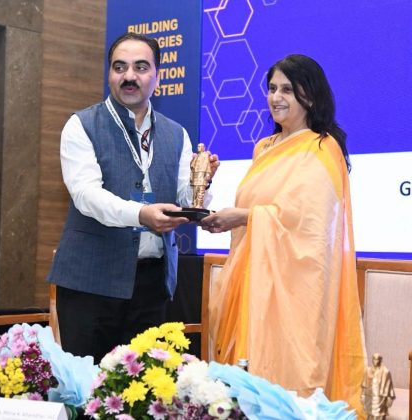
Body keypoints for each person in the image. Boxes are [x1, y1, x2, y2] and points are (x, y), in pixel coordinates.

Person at [201, 54, 365, 411]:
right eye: (272, 88)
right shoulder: (264, 148)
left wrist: (243, 217)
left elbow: (310, 225)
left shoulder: (322, 148)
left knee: (290, 383)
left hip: (296, 287)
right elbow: (258, 208)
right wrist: (232, 218)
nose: (276, 97)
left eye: (287, 90)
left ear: (310, 96)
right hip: (251, 280)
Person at [47, 32, 219, 363]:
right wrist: (142, 214)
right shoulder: (81, 125)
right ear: (109, 74)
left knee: (144, 384)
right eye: (119, 67)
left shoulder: (176, 133)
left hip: (152, 284)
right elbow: (86, 195)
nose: (129, 76)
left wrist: (203, 182)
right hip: (90, 284)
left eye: (140, 67)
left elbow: (184, 196)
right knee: (88, 386)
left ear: (158, 76)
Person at [362, 353, 396, 419]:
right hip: (370, 397)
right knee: (370, 415)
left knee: (379, 415)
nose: (376, 361)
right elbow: (365, 385)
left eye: (377, 359)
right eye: (374, 359)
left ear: (380, 360)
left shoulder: (386, 372)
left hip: (381, 398)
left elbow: (389, 386)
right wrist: (363, 395)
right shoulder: (368, 371)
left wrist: (389, 398)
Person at [190, 143, 212, 208]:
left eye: (200, 146)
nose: (198, 148)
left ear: (203, 148)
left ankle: (199, 204)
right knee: (195, 190)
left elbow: (208, 164)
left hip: (202, 174)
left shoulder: (206, 155)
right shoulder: (196, 156)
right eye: (198, 146)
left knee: (201, 190)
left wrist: (208, 173)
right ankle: (194, 203)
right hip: (195, 174)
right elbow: (192, 166)